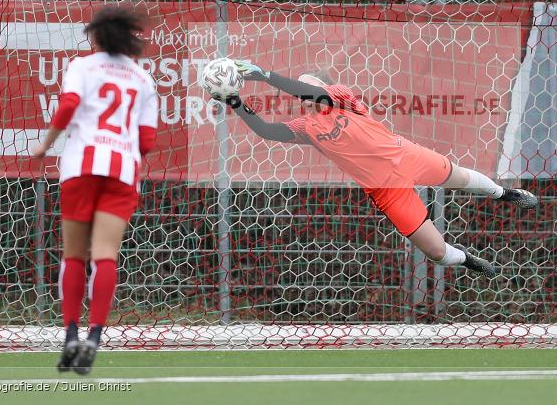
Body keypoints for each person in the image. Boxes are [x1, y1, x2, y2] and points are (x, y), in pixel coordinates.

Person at [211, 61, 537, 279]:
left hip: (404, 155)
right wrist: (234, 100)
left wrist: (266, 76)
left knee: (462, 178)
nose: (303, 92)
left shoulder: (340, 96)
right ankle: (468, 260)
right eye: (300, 88)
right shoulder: (305, 127)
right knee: (436, 252)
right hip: (385, 189)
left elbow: (310, 91)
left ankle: (505, 193)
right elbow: (266, 132)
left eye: (306, 85)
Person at [31, 7, 158, 375]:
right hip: (122, 169)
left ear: (96, 37)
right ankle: (94, 337)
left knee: (74, 254)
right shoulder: (143, 79)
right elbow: (147, 141)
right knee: (106, 255)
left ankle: (70, 334)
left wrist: (45, 144)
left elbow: (69, 105)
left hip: (81, 166)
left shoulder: (82, 67)